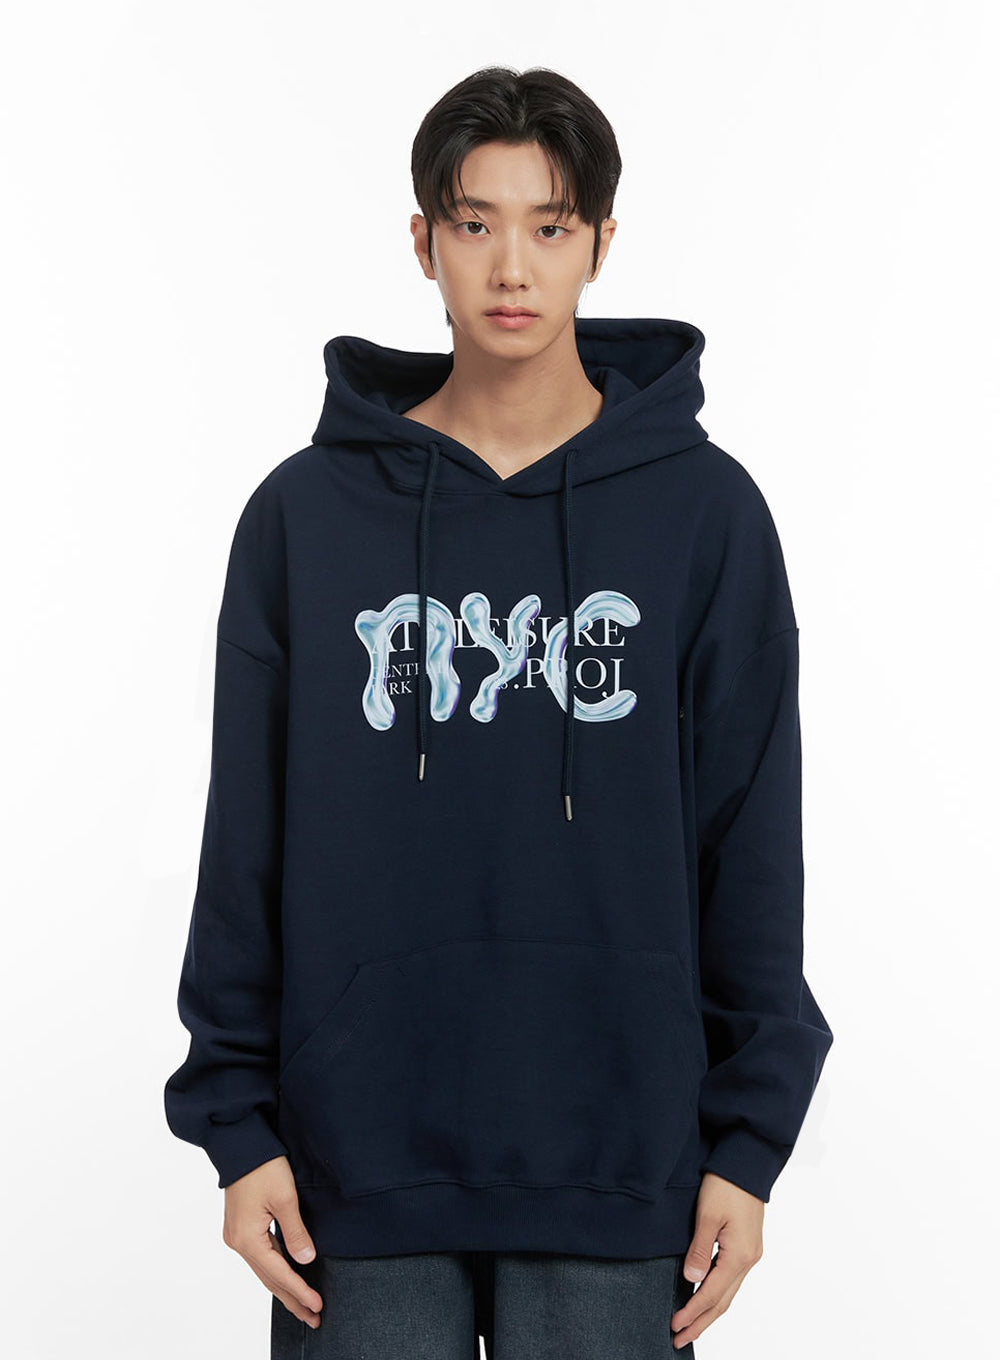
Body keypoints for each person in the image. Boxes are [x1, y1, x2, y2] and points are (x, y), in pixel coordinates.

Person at [164, 65, 834, 1359]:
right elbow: (245, 841)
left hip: (620, 1161)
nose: (512, 267)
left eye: (551, 225)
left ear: (600, 244)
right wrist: (236, 1131)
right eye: (475, 224)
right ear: (423, 241)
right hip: (353, 1166)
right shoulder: (305, 518)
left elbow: (751, 845)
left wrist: (748, 1148)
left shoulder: (705, 514)